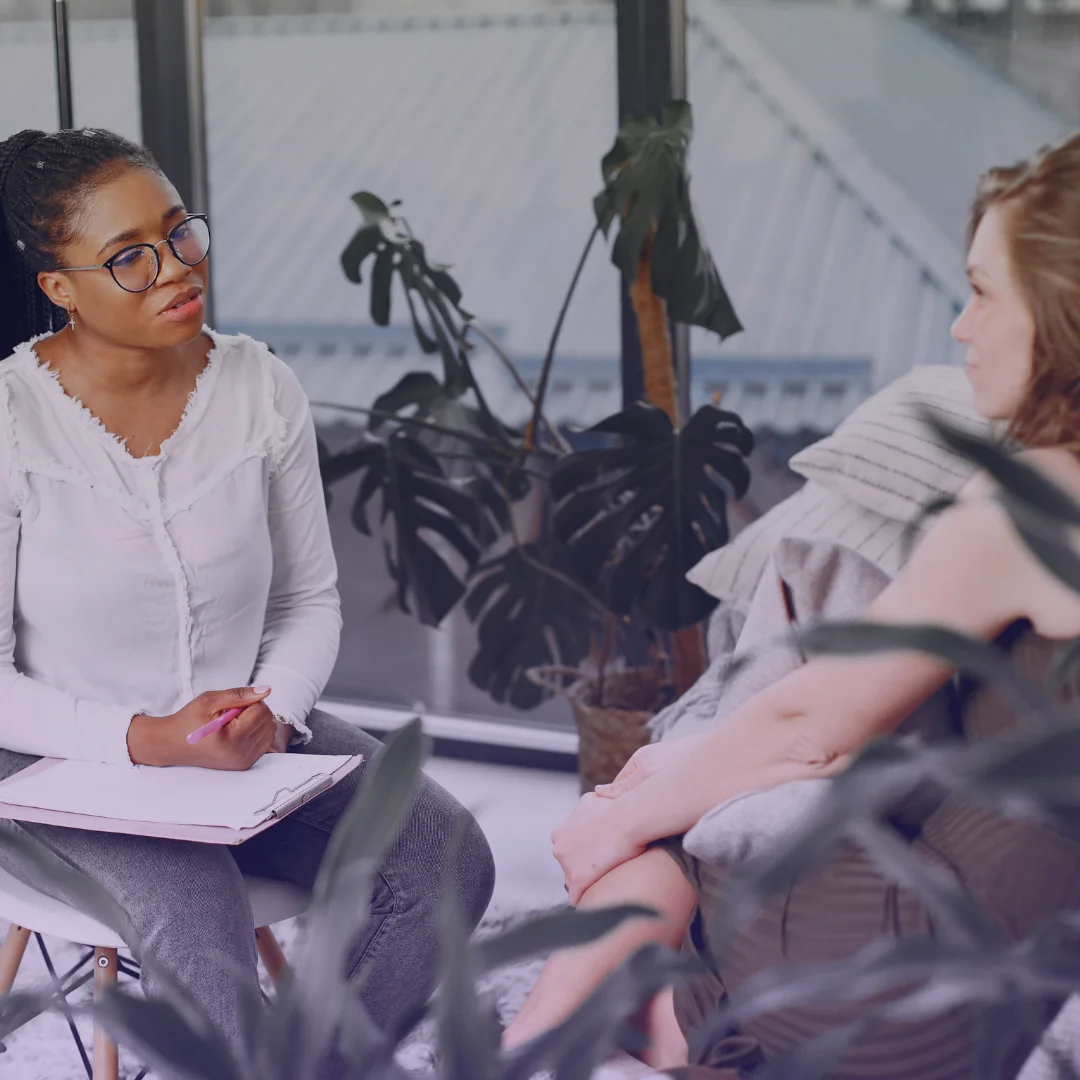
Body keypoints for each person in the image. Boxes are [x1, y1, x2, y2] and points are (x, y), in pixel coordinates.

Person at [503, 131, 1080, 1075]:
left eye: (982, 293)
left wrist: (622, 813)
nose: (959, 329)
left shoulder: (1034, 494)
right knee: (714, 782)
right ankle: (655, 1031)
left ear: (1063, 315)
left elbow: (811, 724)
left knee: (695, 809)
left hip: (918, 961)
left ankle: (552, 1037)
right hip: (1009, 980)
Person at [0, 127, 495, 1072]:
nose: (178, 270)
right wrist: (146, 739)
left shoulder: (261, 386)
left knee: (445, 859)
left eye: (180, 232)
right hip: (45, 759)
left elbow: (308, 598)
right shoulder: (8, 423)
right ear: (59, 288)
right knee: (193, 910)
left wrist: (273, 712)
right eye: (130, 258)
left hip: (243, 737)